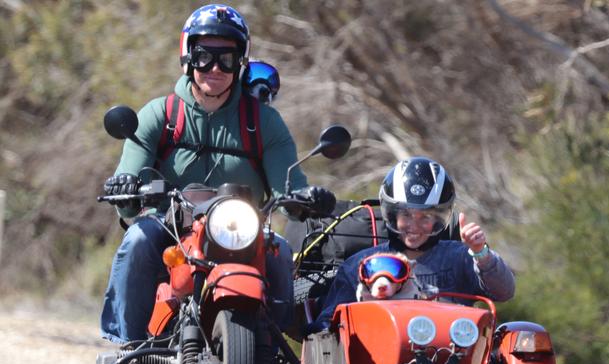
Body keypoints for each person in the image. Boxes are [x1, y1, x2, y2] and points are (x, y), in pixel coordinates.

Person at [100, 4, 335, 344]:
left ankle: (277, 355)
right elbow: (126, 202)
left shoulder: (264, 123)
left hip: (241, 233)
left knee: (282, 253)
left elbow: (289, 193)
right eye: (203, 56)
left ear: (241, 61)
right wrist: (125, 187)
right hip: (170, 227)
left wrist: (305, 198)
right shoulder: (159, 114)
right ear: (187, 56)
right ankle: (126, 349)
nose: (215, 68)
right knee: (136, 239)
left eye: (227, 58)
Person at [306, 156, 515, 335]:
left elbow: (504, 291)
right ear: (391, 215)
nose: (414, 226)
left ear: (440, 218)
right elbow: (329, 322)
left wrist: (481, 252)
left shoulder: (460, 257)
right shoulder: (360, 264)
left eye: (425, 217)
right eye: (406, 215)